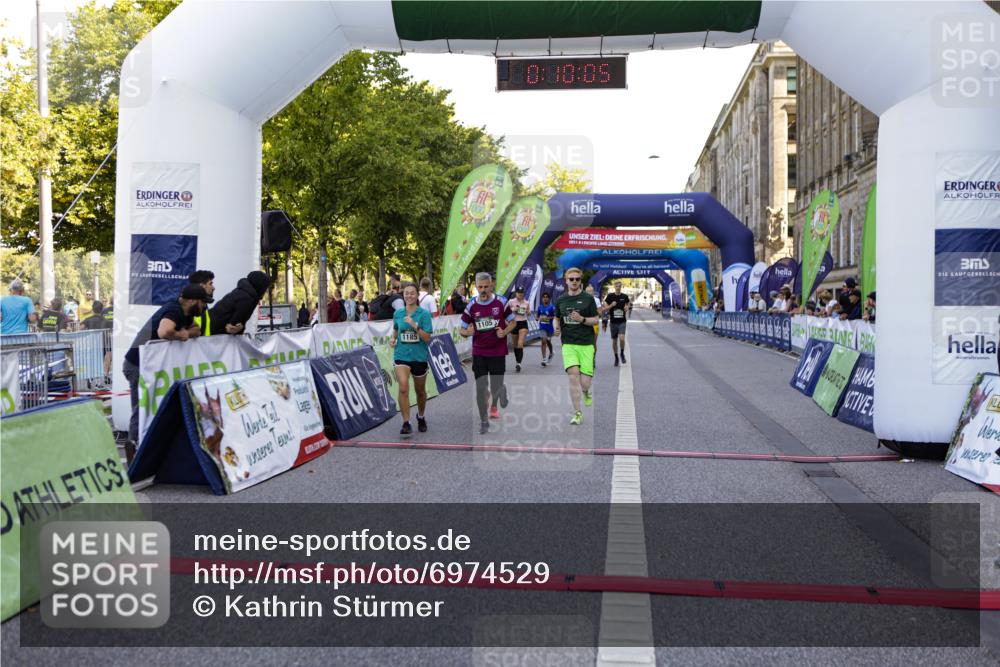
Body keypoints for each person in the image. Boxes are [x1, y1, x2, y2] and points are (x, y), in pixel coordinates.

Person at [122, 284, 208, 452]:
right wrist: (179, 335)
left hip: (148, 365)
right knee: (141, 407)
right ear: (192, 301)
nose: (204, 306)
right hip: (137, 365)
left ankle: (149, 446)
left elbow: (197, 329)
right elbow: (164, 331)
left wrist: (187, 333)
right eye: (202, 302)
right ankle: (134, 447)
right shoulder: (174, 310)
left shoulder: (184, 312)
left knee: (154, 405)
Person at [460, 272, 516, 435]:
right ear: (476, 287)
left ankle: (500, 394)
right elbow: (462, 329)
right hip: (479, 352)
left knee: (496, 385)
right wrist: (467, 332)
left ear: (491, 285)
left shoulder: (501, 302)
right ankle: (484, 420)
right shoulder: (471, 306)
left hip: (498, 351)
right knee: (481, 387)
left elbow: (513, 322)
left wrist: (504, 332)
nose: (483, 290)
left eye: (486, 287)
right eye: (480, 287)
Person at [554, 268, 599, 426]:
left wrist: (581, 319)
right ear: (566, 280)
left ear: (581, 281)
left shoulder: (588, 299)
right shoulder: (561, 299)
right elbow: (556, 317)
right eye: (571, 279)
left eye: (577, 279)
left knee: (585, 382)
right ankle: (577, 413)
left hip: (586, 344)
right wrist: (556, 327)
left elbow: (596, 320)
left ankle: (586, 392)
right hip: (569, 344)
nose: (574, 281)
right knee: (573, 375)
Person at [390, 282, 433, 436]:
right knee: (402, 387)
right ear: (403, 295)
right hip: (401, 355)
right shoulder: (398, 313)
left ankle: (420, 416)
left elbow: (427, 337)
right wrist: (393, 339)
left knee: (420, 391)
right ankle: (406, 422)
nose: (409, 296)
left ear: (417, 296)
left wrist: (415, 325)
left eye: (412, 293)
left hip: (419, 356)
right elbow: (395, 329)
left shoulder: (424, 314)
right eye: (406, 293)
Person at [209, 270, 271, 334]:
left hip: (210, 325)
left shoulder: (243, 291)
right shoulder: (247, 298)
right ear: (260, 286)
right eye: (265, 287)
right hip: (213, 332)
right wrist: (240, 329)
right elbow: (233, 326)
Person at [605, 281, 631, 366]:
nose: (618, 287)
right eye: (616, 286)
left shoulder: (624, 296)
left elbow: (628, 304)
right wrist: (611, 305)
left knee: (622, 338)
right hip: (613, 322)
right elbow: (605, 308)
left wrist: (627, 307)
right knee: (614, 341)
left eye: (619, 286)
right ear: (614, 287)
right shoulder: (610, 296)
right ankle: (616, 357)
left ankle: (622, 353)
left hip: (622, 321)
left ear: (621, 287)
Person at [506, 285, 531, 373]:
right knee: (515, 345)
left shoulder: (527, 302)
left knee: (520, 343)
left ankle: (519, 364)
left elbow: (529, 313)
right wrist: (513, 309)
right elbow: (506, 311)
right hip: (514, 323)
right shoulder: (511, 301)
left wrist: (528, 312)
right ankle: (517, 361)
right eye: (519, 293)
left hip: (523, 323)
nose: (520, 294)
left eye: (522, 293)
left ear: (524, 293)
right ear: (516, 293)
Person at [188, 270, 216, 335]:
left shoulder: (204, 306)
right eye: (210, 284)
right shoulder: (186, 307)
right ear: (202, 286)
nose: (213, 288)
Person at [536, 292, 556, 367]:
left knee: (548, 341)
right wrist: (537, 318)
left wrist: (548, 318)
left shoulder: (552, 307)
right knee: (543, 341)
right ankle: (544, 359)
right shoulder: (539, 307)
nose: (545, 298)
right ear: (542, 298)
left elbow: (555, 316)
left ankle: (551, 352)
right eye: (543, 297)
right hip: (542, 327)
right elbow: (537, 316)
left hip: (550, 328)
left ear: (549, 298)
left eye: (546, 297)